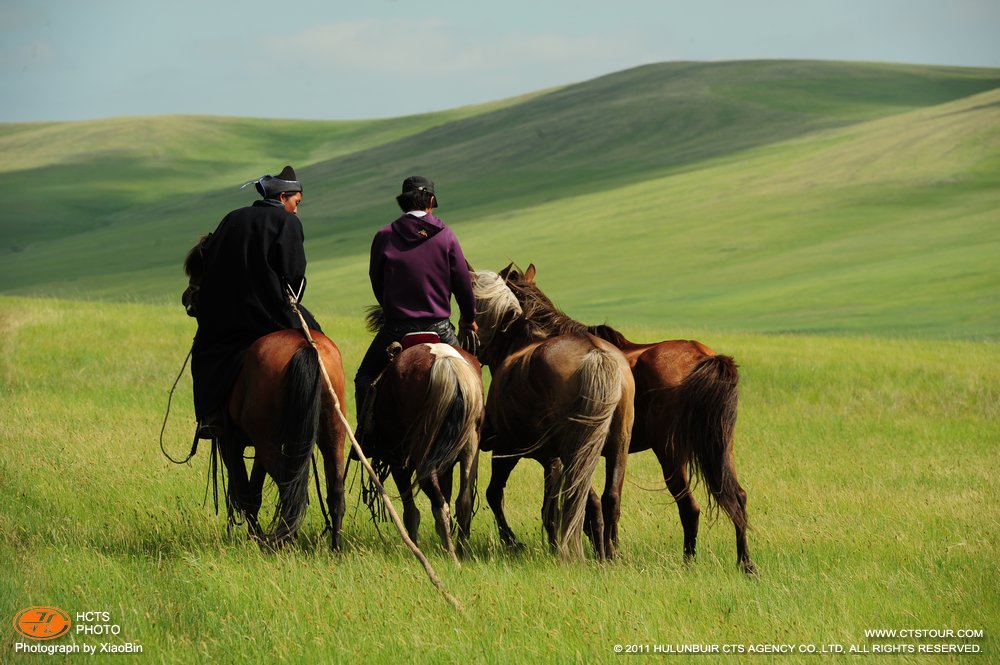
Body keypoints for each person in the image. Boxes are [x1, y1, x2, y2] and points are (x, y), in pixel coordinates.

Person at [190, 165, 322, 436]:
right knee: (319, 344)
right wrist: (291, 302)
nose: (296, 209)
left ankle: (210, 417)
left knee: (203, 352)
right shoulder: (288, 223)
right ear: (283, 197)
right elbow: (294, 275)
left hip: (231, 318)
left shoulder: (231, 218)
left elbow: (211, 262)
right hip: (274, 315)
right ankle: (322, 415)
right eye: (296, 203)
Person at [354, 175, 477, 420]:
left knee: (365, 377)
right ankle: (471, 433)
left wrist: (390, 306)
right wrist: (468, 317)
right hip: (439, 329)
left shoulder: (384, 236)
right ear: (431, 201)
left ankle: (366, 434)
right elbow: (463, 283)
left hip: (396, 329)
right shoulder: (446, 236)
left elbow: (377, 281)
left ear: (403, 203)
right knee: (470, 376)